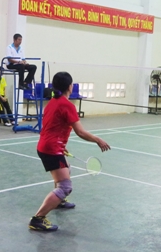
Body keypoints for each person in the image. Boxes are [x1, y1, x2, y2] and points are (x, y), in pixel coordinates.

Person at [29, 72, 111, 231]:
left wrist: (60, 144)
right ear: (69, 86)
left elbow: (50, 126)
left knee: (66, 168)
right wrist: (98, 140)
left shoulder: (52, 102)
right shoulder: (68, 106)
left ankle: (59, 201)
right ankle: (38, 219)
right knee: (65, 187)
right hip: (51, 149)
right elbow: (80, 132)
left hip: (47, 145)